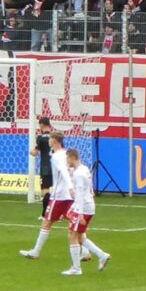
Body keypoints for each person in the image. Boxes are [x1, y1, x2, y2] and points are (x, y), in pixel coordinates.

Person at [20, 134, 73, 260]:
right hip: (69, 196)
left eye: (50, 139)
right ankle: (87, 252)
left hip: (59, 195)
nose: (48, 141)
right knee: (74, 223)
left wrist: (70, 186)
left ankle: (36, 251)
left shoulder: (56, 156)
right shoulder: (66, 154)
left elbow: (64, 172)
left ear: (54, 141)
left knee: (47, 222)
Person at [61, 148, 110, 277]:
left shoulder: (79, 174)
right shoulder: (84, 169)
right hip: (88, 206)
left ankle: (76, 268)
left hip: (83, 208)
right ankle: (102, 255)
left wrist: (80, 213)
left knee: (72, 235)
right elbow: (89, 191)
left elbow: (81, 194)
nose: (67, 162)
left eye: (67, 159)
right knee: (80, 236)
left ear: (72, 157)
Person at [34, 115, 54, 216]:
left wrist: (31, 151)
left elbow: (35, 152)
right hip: (55, 166)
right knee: (55, 190)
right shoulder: (55, 136)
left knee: (44, 191)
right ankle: (55, 213)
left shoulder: (41, 138)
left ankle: (46, 214)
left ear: (41, 124)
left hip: (45, 167)